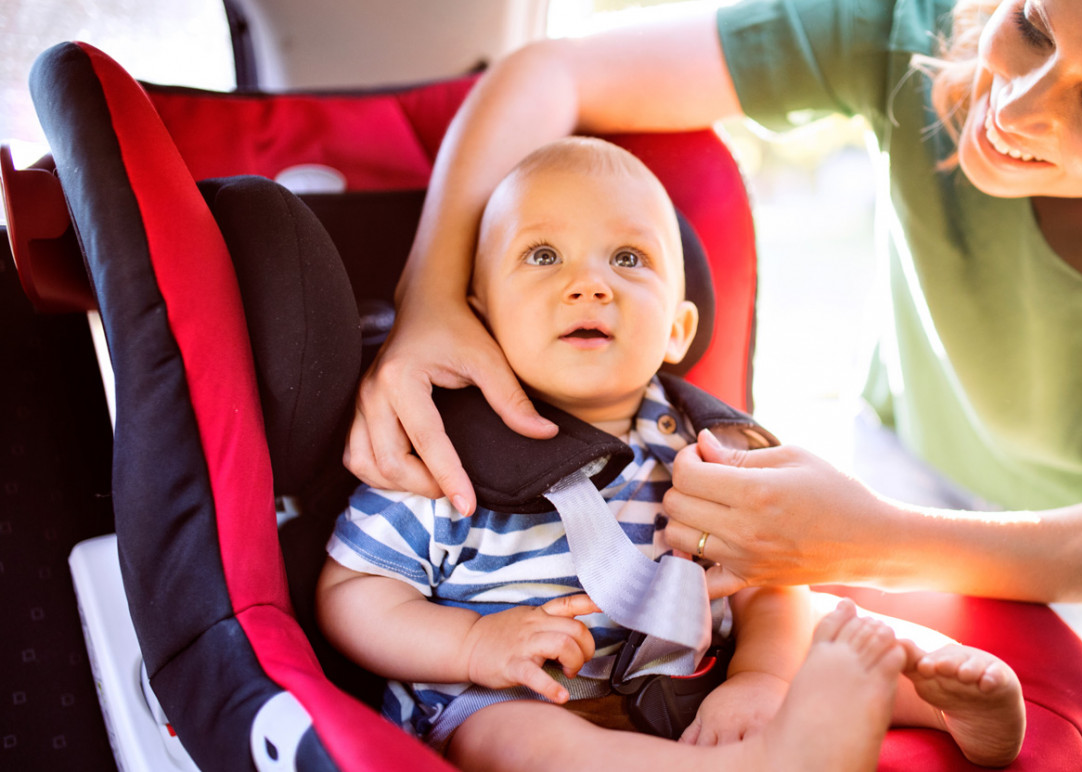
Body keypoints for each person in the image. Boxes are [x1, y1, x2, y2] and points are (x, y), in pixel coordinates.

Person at [342, 0, 1082, 769]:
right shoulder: (915, 23)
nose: (1009, 103)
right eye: (1030, 22)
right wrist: (431, 297)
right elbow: (549, 74)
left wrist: (856, 548)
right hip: (907, 455)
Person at [318, 137, 1028, 769]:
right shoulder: (441, 452)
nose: (589, 283)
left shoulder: (709, 446)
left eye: (628, 258)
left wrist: (759, 679)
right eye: (542, 255)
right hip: (514, 696)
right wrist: (473, 644)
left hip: (698, 670)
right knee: (521, 746)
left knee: (822, 627)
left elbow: (768, 581)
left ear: (678, 330)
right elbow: (354, 594)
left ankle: (945, 701)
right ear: (474, 314)